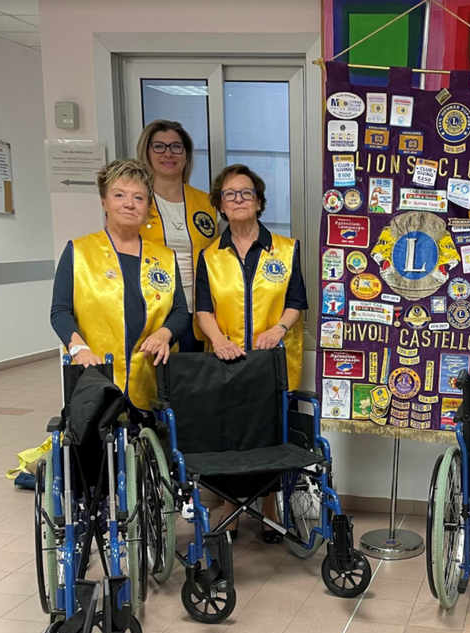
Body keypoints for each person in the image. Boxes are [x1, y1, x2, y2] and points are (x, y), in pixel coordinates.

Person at [195, 163, 307, 541]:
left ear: (259, 202)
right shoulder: (209, 256)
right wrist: (219, 340)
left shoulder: (286, 250)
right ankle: (231, 507)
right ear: (220, 205)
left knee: (271, 436)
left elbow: (296, 302)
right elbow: (203, 309)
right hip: (226, 361)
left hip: (272, 361)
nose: (239, 199)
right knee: (232, 438)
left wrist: (278, 330)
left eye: (247, 193)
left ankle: (270, 508)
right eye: (230, 194)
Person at [50, 158, 188, 412]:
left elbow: (180, 311)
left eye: (139, 197)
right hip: (96, 374)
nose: (129, 204)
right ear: (104, 201)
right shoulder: (78, 252)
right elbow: (60, 311)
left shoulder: (165, 258)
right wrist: (79, 349)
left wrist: (165, 333)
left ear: (148, 206)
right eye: (119, 195)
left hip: (151, 379)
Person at [136, 120, 216, 352]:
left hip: (200, 311)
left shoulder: (206, 203)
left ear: (186, 155)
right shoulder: (136, 202)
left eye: (176, 147)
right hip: (152, 311)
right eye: (159, 146)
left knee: (197, 370)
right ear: (147, 152)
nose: (168, 153)